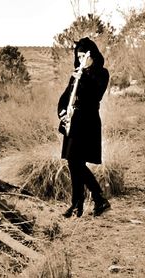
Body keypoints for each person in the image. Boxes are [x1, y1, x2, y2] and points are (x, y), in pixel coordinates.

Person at [57, 37, 111, 218]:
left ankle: (94, 198)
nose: (81, 60)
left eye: (84, 56)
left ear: (92, 55)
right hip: (73, 122)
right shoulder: (76, 74)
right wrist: (62, 112)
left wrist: (83, 79)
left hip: (88, 123)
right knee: (74, 164)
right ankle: (82, 204)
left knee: (75, 162)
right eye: (78, 56)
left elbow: (95, 96)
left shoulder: (101, 73)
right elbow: (65, 97)